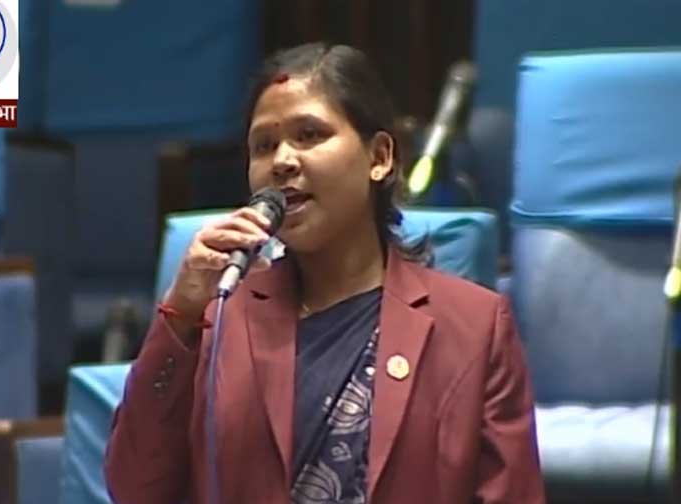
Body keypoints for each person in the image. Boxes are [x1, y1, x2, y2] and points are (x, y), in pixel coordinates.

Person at [104, 42, 545, 504]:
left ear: (380, 157)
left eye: (309, 135)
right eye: (263, 146)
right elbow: (134, 489)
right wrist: (179, 318)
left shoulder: (474, 327)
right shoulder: (218, 317)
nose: (282, 161)